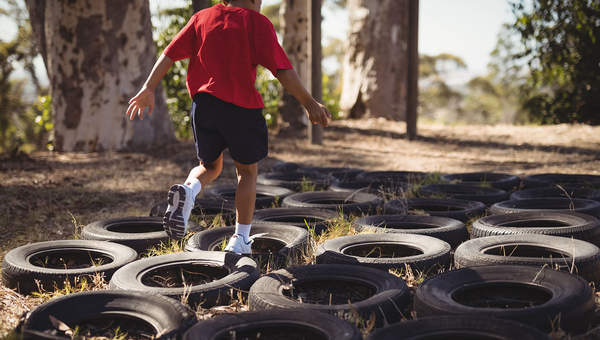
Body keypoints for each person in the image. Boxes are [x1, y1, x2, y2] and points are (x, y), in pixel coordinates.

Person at [125, 0, 330, 254]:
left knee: (209, 166)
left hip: (204, 105)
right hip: (241, 107)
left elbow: (169, 53)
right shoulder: (256, 22)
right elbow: (283, 69)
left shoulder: (202, 18)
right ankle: (240, 239)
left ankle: (188, 191)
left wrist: (148, 87)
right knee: (247, 173)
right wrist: (309, 103)